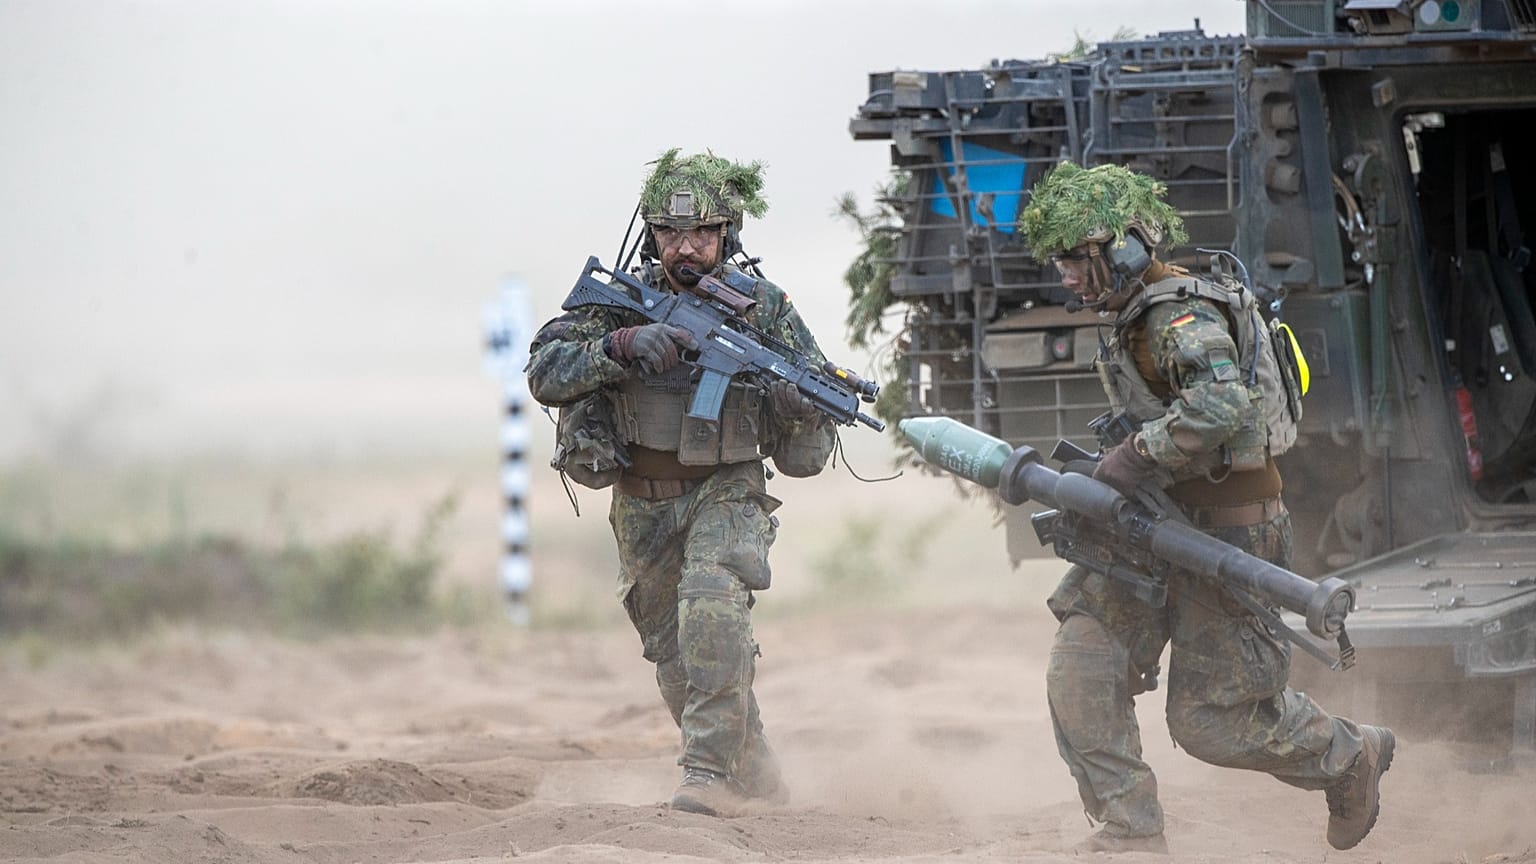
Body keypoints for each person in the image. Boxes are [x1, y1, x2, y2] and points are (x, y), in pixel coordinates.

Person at [1018, 162, 1395, 854]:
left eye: (1075, 258)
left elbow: (1222, 405)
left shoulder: (1177, 314)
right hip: (1152, 528)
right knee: (1081, 668)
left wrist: (1134, 456)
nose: (1066, 275)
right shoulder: (1137, 314)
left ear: (1122, 249)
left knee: (1209, 724)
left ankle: (1348, 754)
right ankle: (1132, 830)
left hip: (1228, 540)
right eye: (1059, 261)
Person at [525, 148, 836, 817]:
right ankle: (755, 775)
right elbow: (544, 371)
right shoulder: (617, 304)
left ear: (729, 235)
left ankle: (706, 774)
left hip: (727, 488)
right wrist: (618, 348)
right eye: (671, 233)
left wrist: (797, 404)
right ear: (651, 235)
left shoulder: (763, 307)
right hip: (640, 499)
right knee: (672, 656)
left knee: (713, 611)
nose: (687, 247)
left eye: (703, 233)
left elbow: (815, 389)